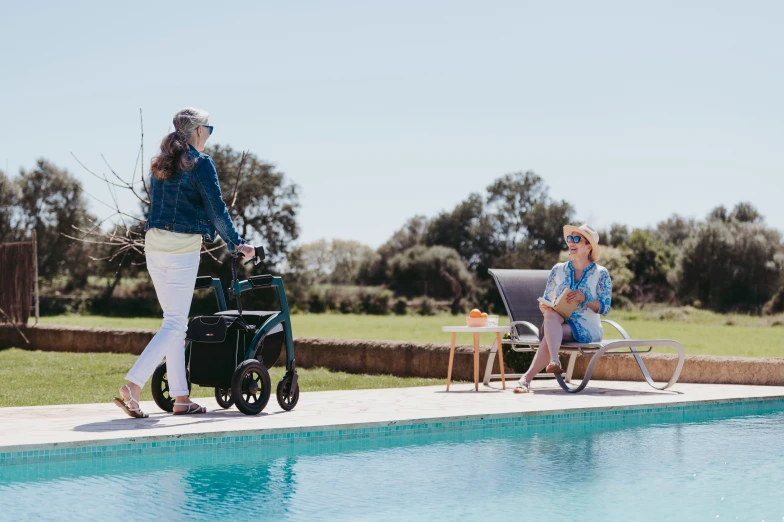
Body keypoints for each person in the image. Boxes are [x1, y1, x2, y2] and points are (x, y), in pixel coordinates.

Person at [114, 107, 255, 417]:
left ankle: (181, 398)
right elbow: (217, 210)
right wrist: (238, 244)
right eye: (210, 129)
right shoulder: (201, 164)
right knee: (176, 321)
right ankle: (133, 385)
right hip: (181, 249)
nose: (209, 136)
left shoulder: (161, 162)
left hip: (154, 246)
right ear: (199, 132)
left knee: (174, 321)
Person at [514, 224, 612, 394]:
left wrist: (585, 298)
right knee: (551, 315)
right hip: (557, 320)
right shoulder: (558, 269)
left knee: (549, 337)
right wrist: (544, 306)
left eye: (576, 239)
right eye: (569, 239)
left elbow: (604, 308)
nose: (571, 243)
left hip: (588, 327)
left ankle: (527, 379)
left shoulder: (601, 273)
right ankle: (553, 361)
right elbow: (547, 299)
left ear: (589, 246)